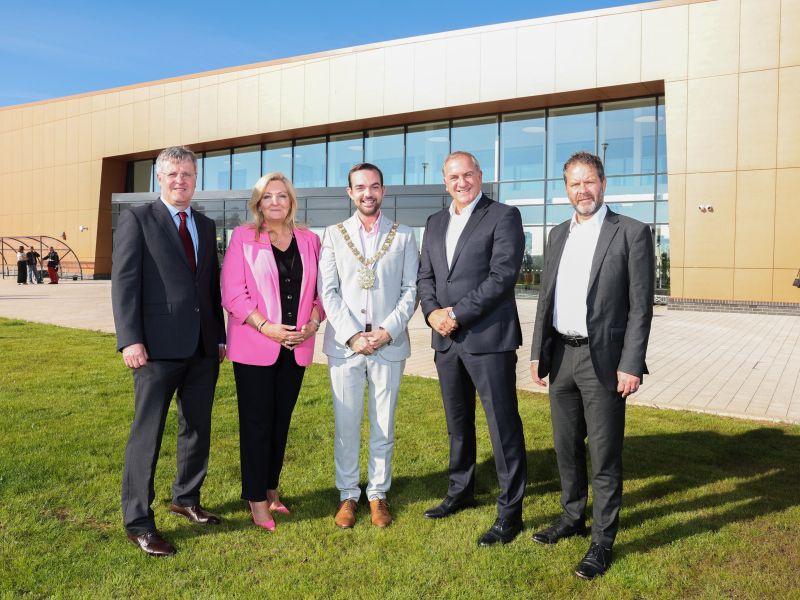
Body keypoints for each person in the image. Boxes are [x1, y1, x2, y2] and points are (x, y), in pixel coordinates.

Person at [530, 151, 654, 580]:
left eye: (589, 182)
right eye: (574, 183)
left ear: (603, 183)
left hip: (604, 362)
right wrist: (536, 352)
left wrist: (631, 363)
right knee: (566, 448)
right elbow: (546, 297)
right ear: (565, 189)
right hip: (561, 355)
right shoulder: (557, 233)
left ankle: (602, 539)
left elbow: (641, 307)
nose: (582, 190)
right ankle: (571, 517)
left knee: (603, 455)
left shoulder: (632, 233)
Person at [112, 146, 226, 557]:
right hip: (155, 349)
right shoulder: (138, 218)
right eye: (173, 174)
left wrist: (218, 336)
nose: (181, 181)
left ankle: (187, 499)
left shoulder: (206, 224)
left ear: (196, 179)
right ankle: (139, 521)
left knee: (197, 428)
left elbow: (208, 285)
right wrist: (130, 338)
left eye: (188, 174)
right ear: (159, 178)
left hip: (201, 346)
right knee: (148, 434)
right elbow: (124, 282)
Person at [417, 151, 527, 546]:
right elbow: (425, 277)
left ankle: (510, 512)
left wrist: (456, 314)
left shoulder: (503, 216)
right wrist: (432, 314)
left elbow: (502, 276)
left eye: (467, 174)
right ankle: (460, 491)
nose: (461, 182)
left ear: (480, 176)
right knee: (457, 424)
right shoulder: (433, 223)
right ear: (444, 182)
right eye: (453, 177)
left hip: (488, 339)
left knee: (502, 426)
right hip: (446, 342)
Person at [221, 172, 324, 532]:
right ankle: (255, 498)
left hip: (296, 347)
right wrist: (267, 327)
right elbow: (233, 292)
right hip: (256, 345)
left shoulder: (310, 240)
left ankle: (271, 487)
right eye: (268, 197)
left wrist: (312, 323)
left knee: (280, 423)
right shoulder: (243, 238)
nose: (275, 202)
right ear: (258, 203)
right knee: (256, 424)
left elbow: (322, 290)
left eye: (282, 196)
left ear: (291, 201)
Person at [318, 163, 419, 529]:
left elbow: (411, 290)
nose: (367, 193)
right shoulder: (333, 234)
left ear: (383, 190)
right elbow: (327, 291)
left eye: (374, 186)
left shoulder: (405, 235)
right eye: (360, 187)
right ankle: (348, 495)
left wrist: (387, 330)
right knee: (347, 425)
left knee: (384, 424)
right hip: (345, 348)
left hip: (389, 346)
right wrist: (352, 335)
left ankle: (377, 494)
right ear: (349, 192)